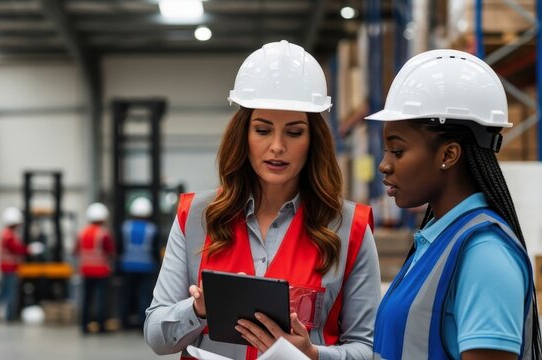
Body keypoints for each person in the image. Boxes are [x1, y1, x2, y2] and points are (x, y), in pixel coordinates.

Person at [145, 40, 381, 359]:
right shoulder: (197, 217)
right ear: (244, 135)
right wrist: (198, 309)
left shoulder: (348, 229)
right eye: (262, 130)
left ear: (314, 141)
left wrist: (313, 355)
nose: (277, 146)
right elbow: (156, 336)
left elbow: (368, 349)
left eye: (294, 132)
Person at [366, 49, 542, 360]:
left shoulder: (485, 254)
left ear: (448, 155)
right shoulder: (438, 242)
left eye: (397, 150)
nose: (384, 165)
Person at [0, 207, 42, 322]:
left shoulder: (7, 233)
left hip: (7, 267)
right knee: (11, 292)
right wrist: (30, 249)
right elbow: (15, 249)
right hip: (10, 268)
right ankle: (10, 315)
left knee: (3, 291)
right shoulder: (9, 235)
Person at [74, 202, 115, 334]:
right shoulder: (103, 234)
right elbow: (111, 252)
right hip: (101, 271)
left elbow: (75, 251)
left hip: (86, 270)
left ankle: (84, 325)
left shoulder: (82, 233)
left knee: (86, 299)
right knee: (101, 300)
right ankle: (101, 326)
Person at [119, 196, 159, 330]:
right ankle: (143, 324)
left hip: (127, 267)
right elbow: (155, 251)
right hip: (146, 267)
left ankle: (124, 322)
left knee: (126, 296)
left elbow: (120, 248)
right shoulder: (152, 229)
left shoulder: (125, 227)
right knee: (144, 296)